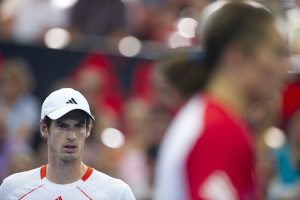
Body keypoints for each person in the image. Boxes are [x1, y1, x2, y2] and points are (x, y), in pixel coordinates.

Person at [154, 2, 287, 200]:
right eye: (277, 53)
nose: (284, 69)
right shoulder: (218, 129)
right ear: (237, 54)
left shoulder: (212, 119)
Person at [0, 88, 136, 200]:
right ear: (44, 128)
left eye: (78, 126)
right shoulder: (11, 188)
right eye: (62, 126)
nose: (72, 136)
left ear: (88, 129)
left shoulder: (117, 193)